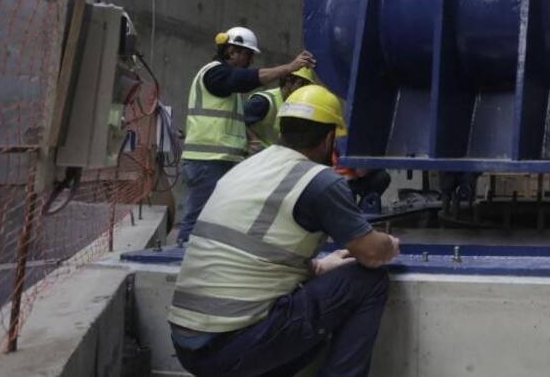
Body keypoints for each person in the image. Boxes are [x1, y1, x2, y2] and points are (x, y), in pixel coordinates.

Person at [169, 85, 400, 377]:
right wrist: (388, 244)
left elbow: (253, 251)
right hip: (232, 347)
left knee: (304, 318)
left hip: (188, 346)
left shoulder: (247, 167)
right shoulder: (319, 181)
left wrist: (317, 267)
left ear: (282, 129)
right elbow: (371, 252)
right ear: (330, 138)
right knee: (368, 281)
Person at [178, 26, 315, 245]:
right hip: (206, 162)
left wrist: (249, 142)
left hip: (219, 161)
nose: (250, 60)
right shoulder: (215, 73)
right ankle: (182, 257)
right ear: (231, 51)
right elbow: (247, 79)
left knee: (214, 218)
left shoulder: (225, 81)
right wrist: (290, 67)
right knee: (198, 219)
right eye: (247, 54)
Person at [247, 66, 318, 152]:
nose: (303, 90)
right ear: (288, 81)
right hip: (255, 156)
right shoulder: (264, 101)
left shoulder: (296, 106)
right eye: (301, 84)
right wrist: (254, 140)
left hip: (273, 156)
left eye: (306, 86)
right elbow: (240, 122)